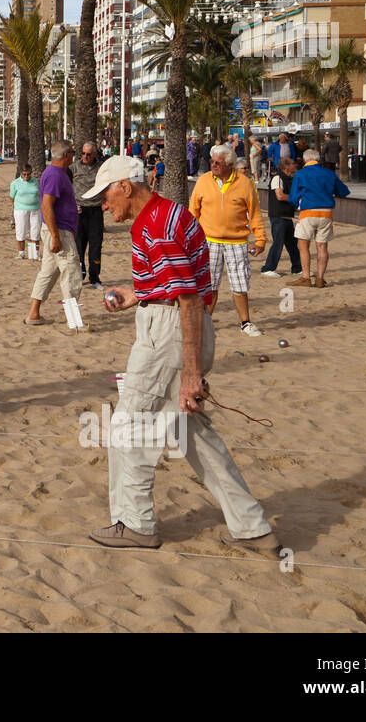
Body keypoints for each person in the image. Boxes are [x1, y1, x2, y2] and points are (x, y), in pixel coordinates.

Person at [83, 155, 280, 554]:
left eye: (105, 195)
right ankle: (253, 528)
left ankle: (135, 524)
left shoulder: (156, 225)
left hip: (171, 334)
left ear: (124, 186)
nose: (103, 205)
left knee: (129, 427)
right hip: (179, 327)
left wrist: (191, 373)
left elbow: (188, 298)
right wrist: (137, 293)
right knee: (191, 433)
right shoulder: (168, 215)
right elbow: (180, 284)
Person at [188, 144, 266, 337]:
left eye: (218, 162)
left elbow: (254, 213)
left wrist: (260, 239)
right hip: (209, 241)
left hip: (237, 242)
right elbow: (193, 213)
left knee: (239, 285)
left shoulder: (245, 183)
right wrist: (190, 239)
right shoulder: (203, 181)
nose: (213, 165)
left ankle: (245, 323)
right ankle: (205, 324)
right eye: (212, 161)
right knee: (210, 285)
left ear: (229, 164)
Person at [26, 140, 82, 327]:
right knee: (71, 272)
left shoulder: (57, 173)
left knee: (48, 272)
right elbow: (46, 205)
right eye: (73, 152)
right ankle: (73, 319)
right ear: (66, 155)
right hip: (59, 231)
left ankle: (34, 313)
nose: (74, 155)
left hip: (58, 229)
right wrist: (56, 235)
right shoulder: (55, 174)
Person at [289, 148, 350, 289]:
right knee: (322, 246)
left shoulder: (301, 174)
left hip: (308, 212)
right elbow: (343, 191)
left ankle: (305, 277)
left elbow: (293, 198)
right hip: (326, 212)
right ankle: (320, 278)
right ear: (318, 159)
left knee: (303, 245)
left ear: (304, 160)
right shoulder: (329, 173)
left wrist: (296, 204)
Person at [69, 142, 105, 290]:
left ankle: (94, 278)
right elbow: (65, 187)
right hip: (79, 211)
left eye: (88, 154)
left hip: (96, 211)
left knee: (95, 247)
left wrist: (105, 203)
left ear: (95, 155)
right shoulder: (73, 168)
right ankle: (79, 276)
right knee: (78, 248)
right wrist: (71, 205)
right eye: (83, 153)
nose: (85, 156)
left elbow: (108, 186)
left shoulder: (102, 168)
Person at [259, 157, 302, 278]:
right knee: (278, 242)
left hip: (287, 216)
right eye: (293, 163)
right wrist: (294, 200)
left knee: (292, 244)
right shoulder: (277, 178)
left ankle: (297, 268)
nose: (295, 165)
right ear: (286, 166)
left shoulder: (290, 179)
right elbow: (280, 196)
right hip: (278, 216)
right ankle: (268, 268)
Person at [9, 162, 41, 259]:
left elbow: (39, 194)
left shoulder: (36, 182)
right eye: (24, 174)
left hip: (35, 209)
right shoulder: (15, 183)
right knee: (21, 230)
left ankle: (34, 254)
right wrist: (18, 206)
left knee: (35, 232)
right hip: (20, 210)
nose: (26, 176)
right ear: (21, 173)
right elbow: (12, 197)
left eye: (28, 174)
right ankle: (21, 253)